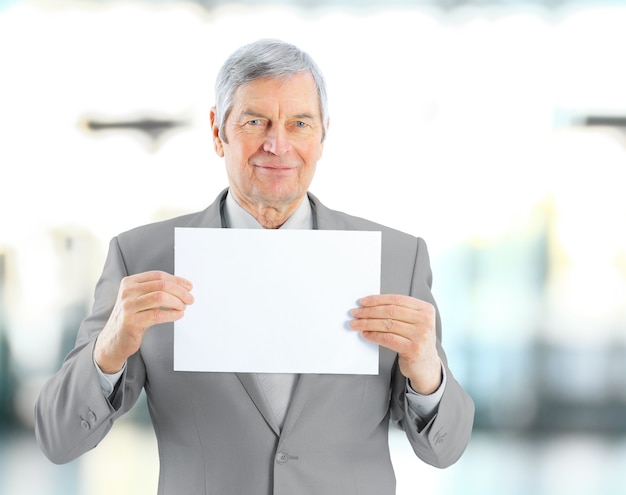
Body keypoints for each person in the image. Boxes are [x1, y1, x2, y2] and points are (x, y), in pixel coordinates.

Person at [35, 39, 474, 494]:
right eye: (254, 121)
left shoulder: (397, 260)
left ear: (322, 135)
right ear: (216, 130)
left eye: (299, 123)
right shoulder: (141, 259)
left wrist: (427, 373)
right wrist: (107, 351)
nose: (277, 144)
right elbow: (56, 437)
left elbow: (446, 449)